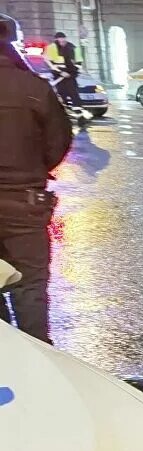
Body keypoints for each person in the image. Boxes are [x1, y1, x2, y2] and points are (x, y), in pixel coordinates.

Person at [0, 37, 74, 343]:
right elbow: (59, 141)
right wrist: (34, 169)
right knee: (30, 287)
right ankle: (39, 364)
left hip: (23, 198)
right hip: (24, 202)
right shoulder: (33, 88)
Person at [50, 31, 86, 130]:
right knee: (62, 98)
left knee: (75, 97)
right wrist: (60, 73)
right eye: (59, 39)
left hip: (70, 78)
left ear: (65, 38)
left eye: (63, 38)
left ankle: (80, 118)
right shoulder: (52, 48)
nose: (61, 41)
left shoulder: (74, 48)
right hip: (59, 78)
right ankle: (64, 119)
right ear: (56, 40)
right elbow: (51, 64)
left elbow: (79, 63)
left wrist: (72, 73)